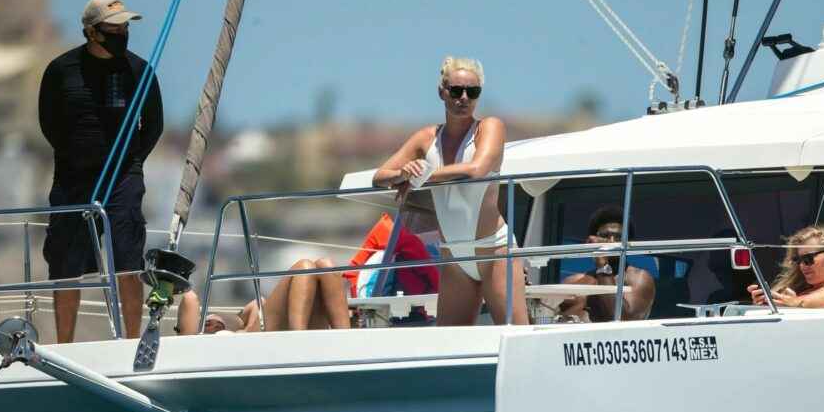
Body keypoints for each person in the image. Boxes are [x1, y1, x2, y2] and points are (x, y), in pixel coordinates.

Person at [39, 0, 163, 343]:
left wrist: (131, 162)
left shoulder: (139, 71)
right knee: (66, 265)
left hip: (123, 178)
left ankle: (132, 341)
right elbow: (48, 122)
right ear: (92, 32)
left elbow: (153, 126)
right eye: (114, 28)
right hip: (72, 178)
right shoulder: (60, 70)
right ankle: (64, 345)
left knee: (128, 261)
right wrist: (76, 156)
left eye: (125, 28)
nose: (122, 34)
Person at [372, 56, 527, 325]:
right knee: (450, 340)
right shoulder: (426, 138)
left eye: (472, 91)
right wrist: (403, 174)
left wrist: (421, 177)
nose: (464, 98)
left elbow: (476, 169)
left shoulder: (489, 127)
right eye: (456, 91)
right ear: (442, 92)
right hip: (453, 255)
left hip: (494, 250)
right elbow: (379, 177)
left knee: (516, 336)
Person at [175, 257, 351, 335]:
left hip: (260, 331)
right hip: (253, 340)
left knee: (325, 265)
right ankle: (298, 340)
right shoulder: (193, 333)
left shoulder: (236, 318)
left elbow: (253, 306)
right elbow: (190, 299)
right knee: (304, 267)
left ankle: (346, 339)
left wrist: (236, 320)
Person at [558, 206, 656, 322]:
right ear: (592, 240)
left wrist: (603, 266)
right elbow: (545, 318)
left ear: (628, 243)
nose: (612, 242)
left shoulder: (639, 278)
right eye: (605, 236)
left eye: (619, 237)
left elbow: (622, 320)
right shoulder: (573, 281)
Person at [748, 224, 824, 308]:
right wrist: (762, 304)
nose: (802, 266)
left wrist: (796, 302)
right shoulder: (791, 294)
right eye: (798, 260)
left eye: (808, 259)